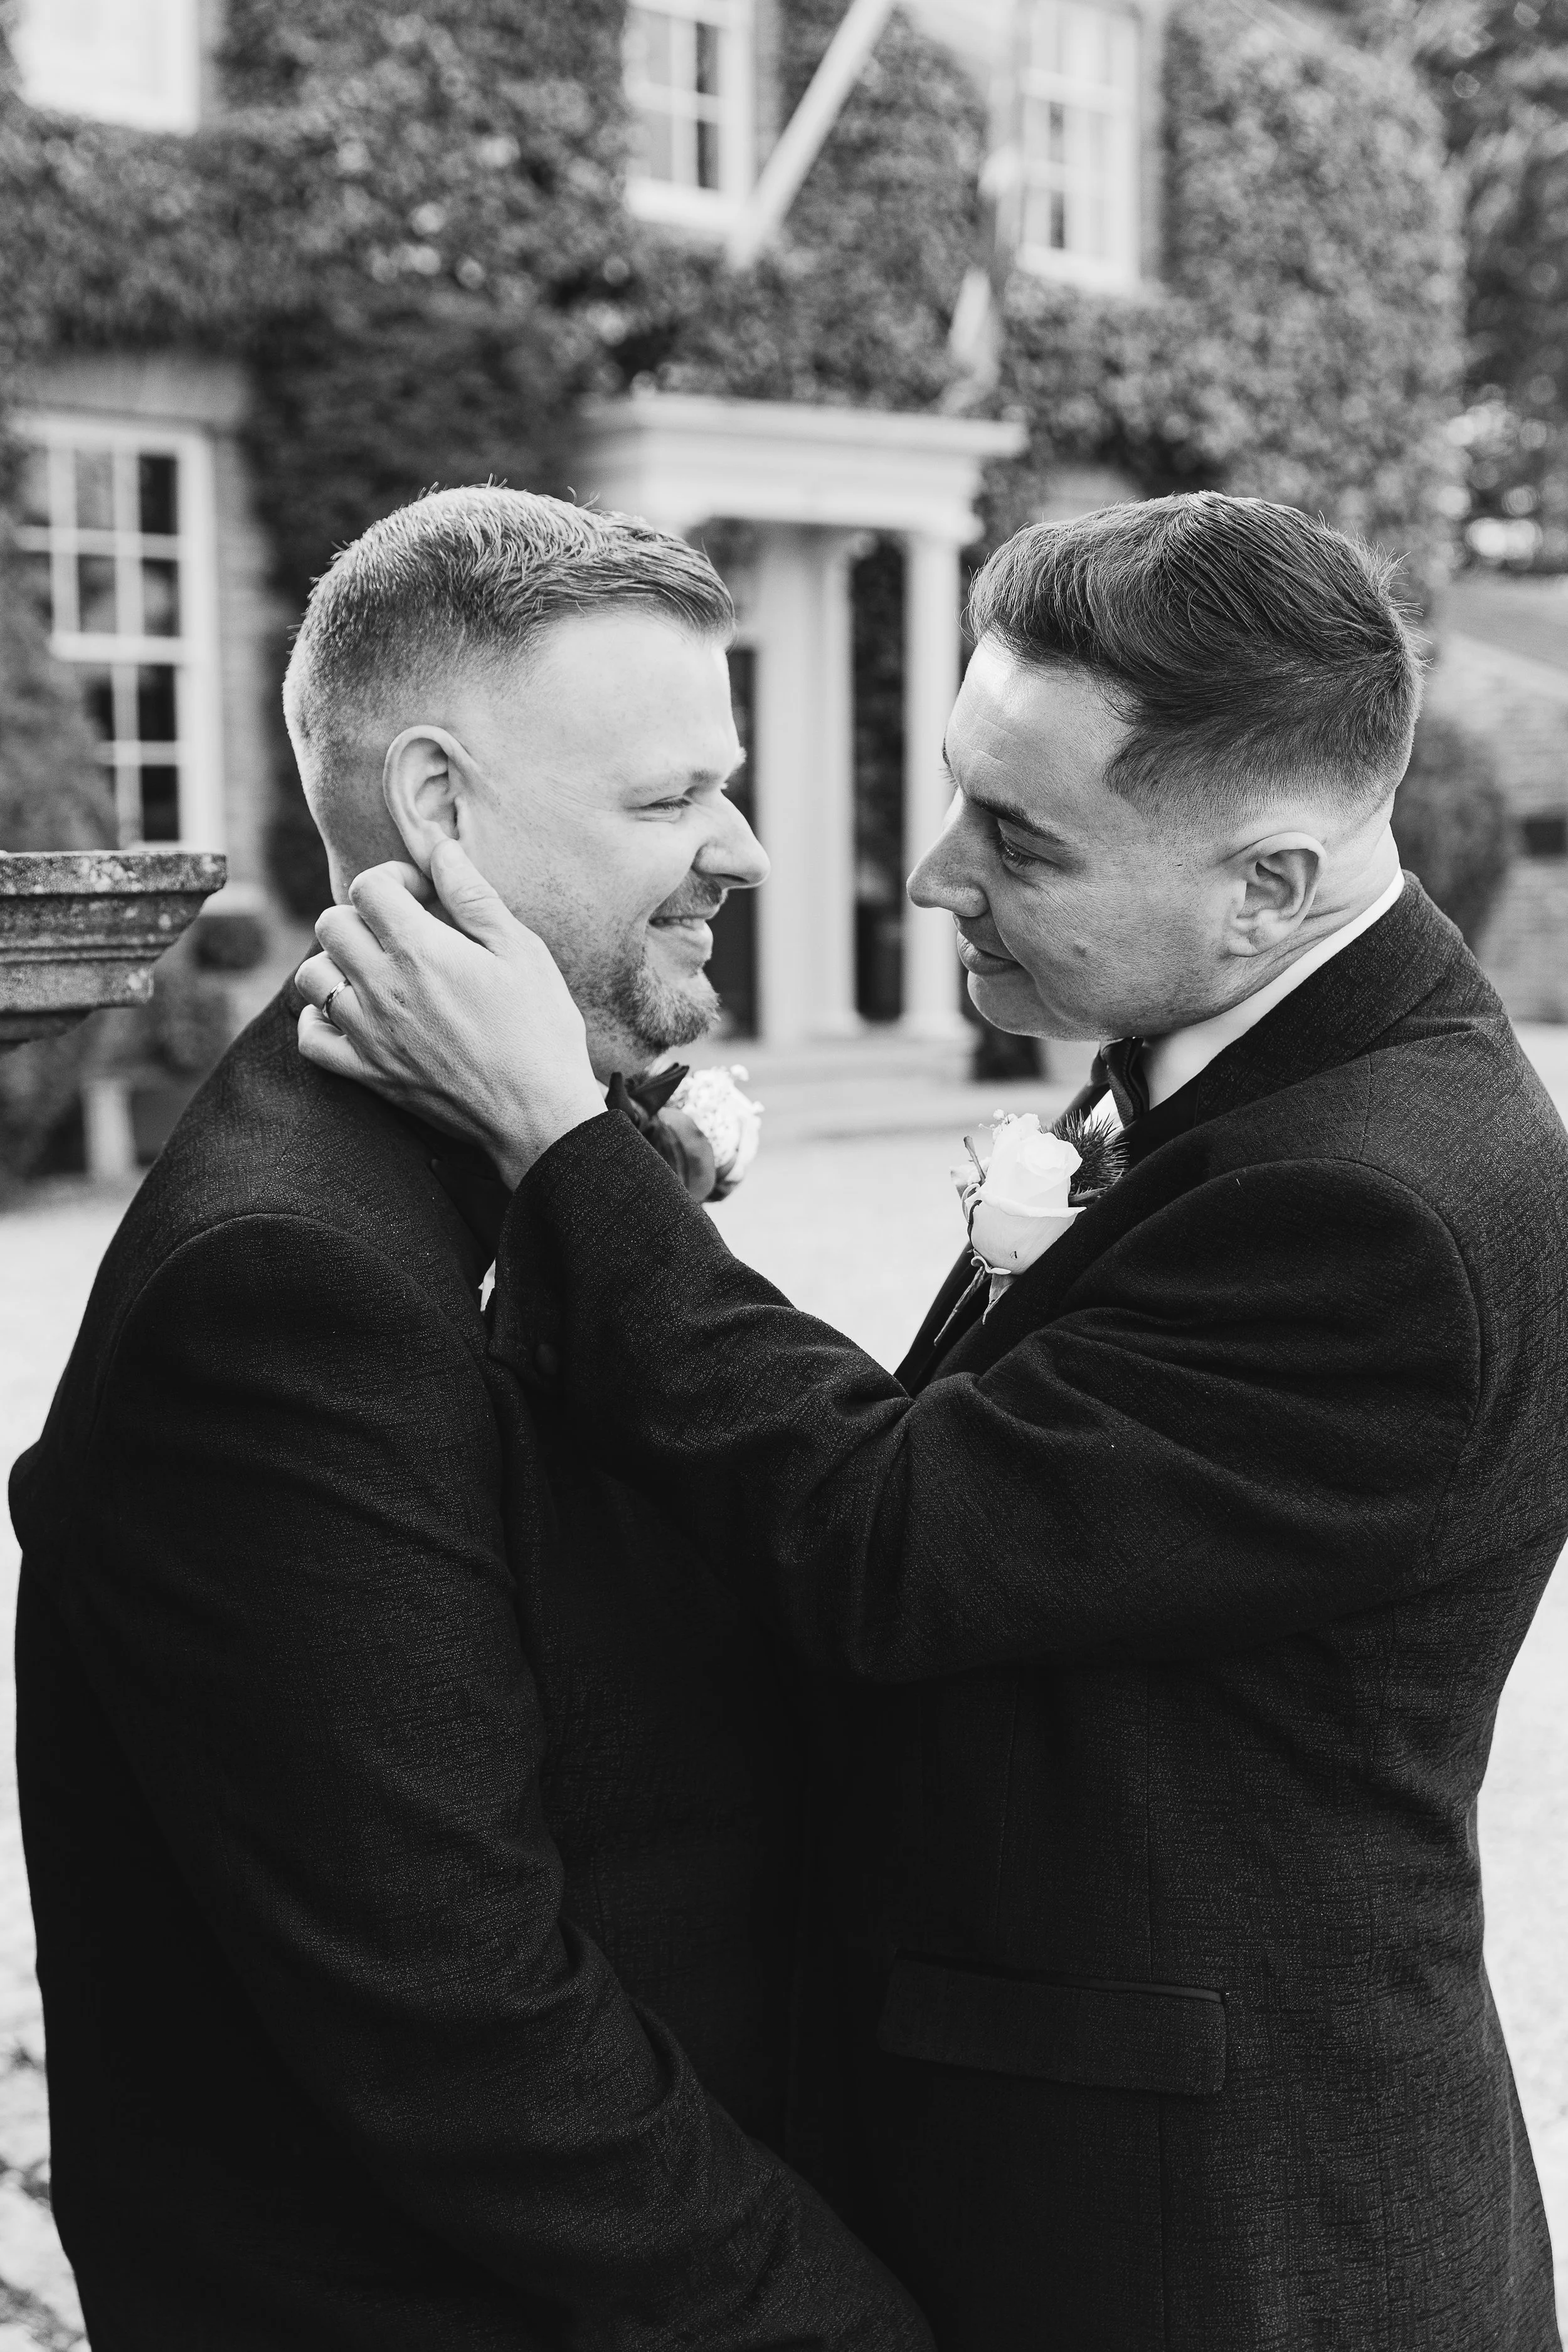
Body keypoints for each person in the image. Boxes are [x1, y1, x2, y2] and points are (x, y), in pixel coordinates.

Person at [298, 493, 1568, 2352]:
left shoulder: (1375, 1211)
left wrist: (562, 1144)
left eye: (1021, 839)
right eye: (964, 793)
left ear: (1268, 885)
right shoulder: (1257, 1062)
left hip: (1204, 2243)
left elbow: (890, 1544)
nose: (934, 875)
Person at [11, 489, 930, 2349]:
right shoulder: (292, 1283)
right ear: (438, 806)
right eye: (670, 800)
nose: (744, 849)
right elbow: (455, 2010)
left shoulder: (511, 1153)